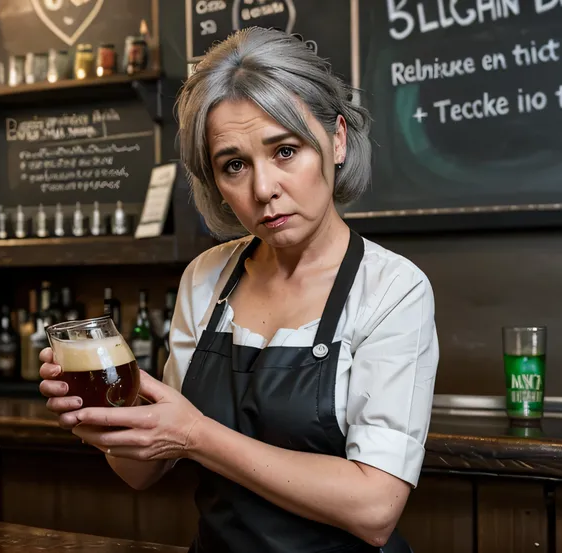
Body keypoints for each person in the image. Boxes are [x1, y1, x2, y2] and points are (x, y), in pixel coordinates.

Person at [39, 27, 439, 553]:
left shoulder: (392, 289)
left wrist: (197, 436)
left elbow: (375, 508)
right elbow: (142, 474)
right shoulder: (206, 278)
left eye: (286, 150)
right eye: (234, 165)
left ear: (337, 140)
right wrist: (102, 421)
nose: (263, 189)